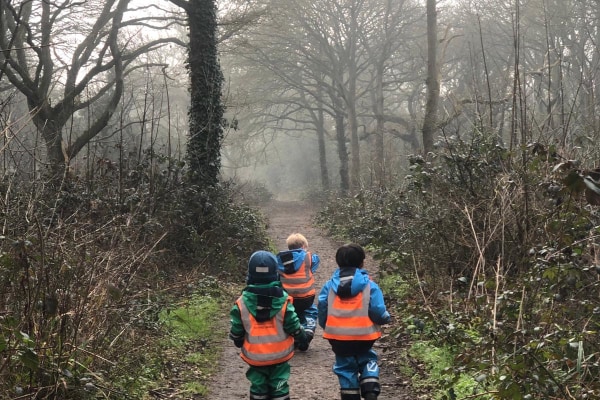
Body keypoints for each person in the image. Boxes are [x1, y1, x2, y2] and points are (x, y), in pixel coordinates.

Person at [229, 250, 309, 400]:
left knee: (258, 385)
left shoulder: (241, 303)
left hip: (255, 356)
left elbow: (236, 329)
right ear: (276, 274)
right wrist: (301, 336)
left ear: (250, 276)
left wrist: (238, 339)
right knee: (280, 385)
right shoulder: (284, 300)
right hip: (280, 356)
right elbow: (293, 323)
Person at [318, 243, 391, 400]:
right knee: (368, 358)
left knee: (344, 366)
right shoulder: (370, 286)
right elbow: (378, 311)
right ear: (361, 263)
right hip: (364, 336)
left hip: (338, 337)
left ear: (338, 263)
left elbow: (323, 307)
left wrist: (325, 324)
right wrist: (385, 318)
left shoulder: (329, 286)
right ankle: (370, 385)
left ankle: (350, 394)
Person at [276, 233, 320, 350]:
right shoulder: (309, 257)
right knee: (310, 310)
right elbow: (315, 262)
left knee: (290, 313)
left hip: (287, 297)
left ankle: (294, 333)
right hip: (306, 296)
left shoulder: (279, 260)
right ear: (303, 246)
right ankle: (309, 328)